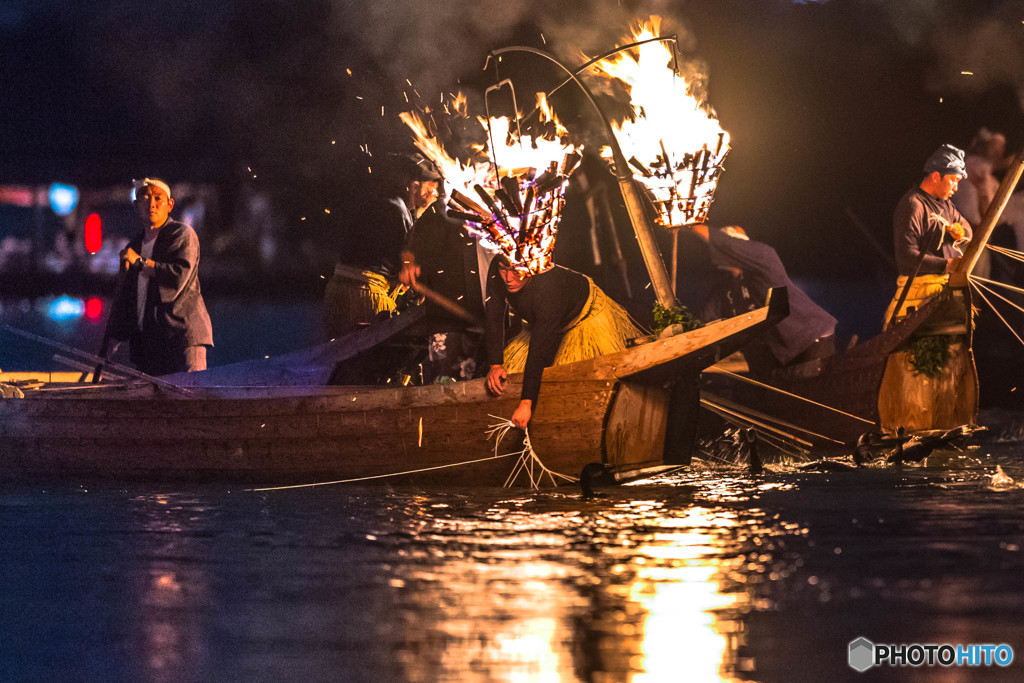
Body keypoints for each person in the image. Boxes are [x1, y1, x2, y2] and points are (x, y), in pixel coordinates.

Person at [484, 257, 639, 428]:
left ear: (532, 266)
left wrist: (526, 404)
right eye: (503, 269)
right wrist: (495, 364)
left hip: (583, 318)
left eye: (516, 269)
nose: (508, 278)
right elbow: (494, 315)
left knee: (577, 393)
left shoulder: (549, 289)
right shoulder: (498, 266)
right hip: (540, 323)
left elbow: (538, 352)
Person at [688, 223, 837, 374]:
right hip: (783, 351)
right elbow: (702, 319)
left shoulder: (764, 260)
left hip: (810, 339)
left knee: (810, 392)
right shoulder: (728, 291)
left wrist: (686, 225)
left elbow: (721, 243)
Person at [323, 153, 441, 337]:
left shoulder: (383, 201)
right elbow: (406, 269)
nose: (436, 194)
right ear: (414, 186)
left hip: (338, 291)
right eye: (432, 187)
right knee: (369, 358)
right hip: (364, 296)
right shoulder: (396, 211)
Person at [105, 178, 213, 376]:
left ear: (169, 204)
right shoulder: (134, 246)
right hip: (150, 346)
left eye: (157, 198)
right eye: (145, 199)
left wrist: (141, 263)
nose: (151, 204)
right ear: (137, 206)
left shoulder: (182, 235)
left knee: (188, 399)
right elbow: (127, 298)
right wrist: (115, 337)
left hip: (181, 340)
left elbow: (179, 275)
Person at [883, 144, 973, 326]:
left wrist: (959, 232)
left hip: (944, 294)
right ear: (935, 176)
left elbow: (968, 231)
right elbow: (906, 258)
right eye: (953, 180)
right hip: (917, 299)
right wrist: (945, 265)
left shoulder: (946, 205)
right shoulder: (913, 205)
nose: (956, 187)